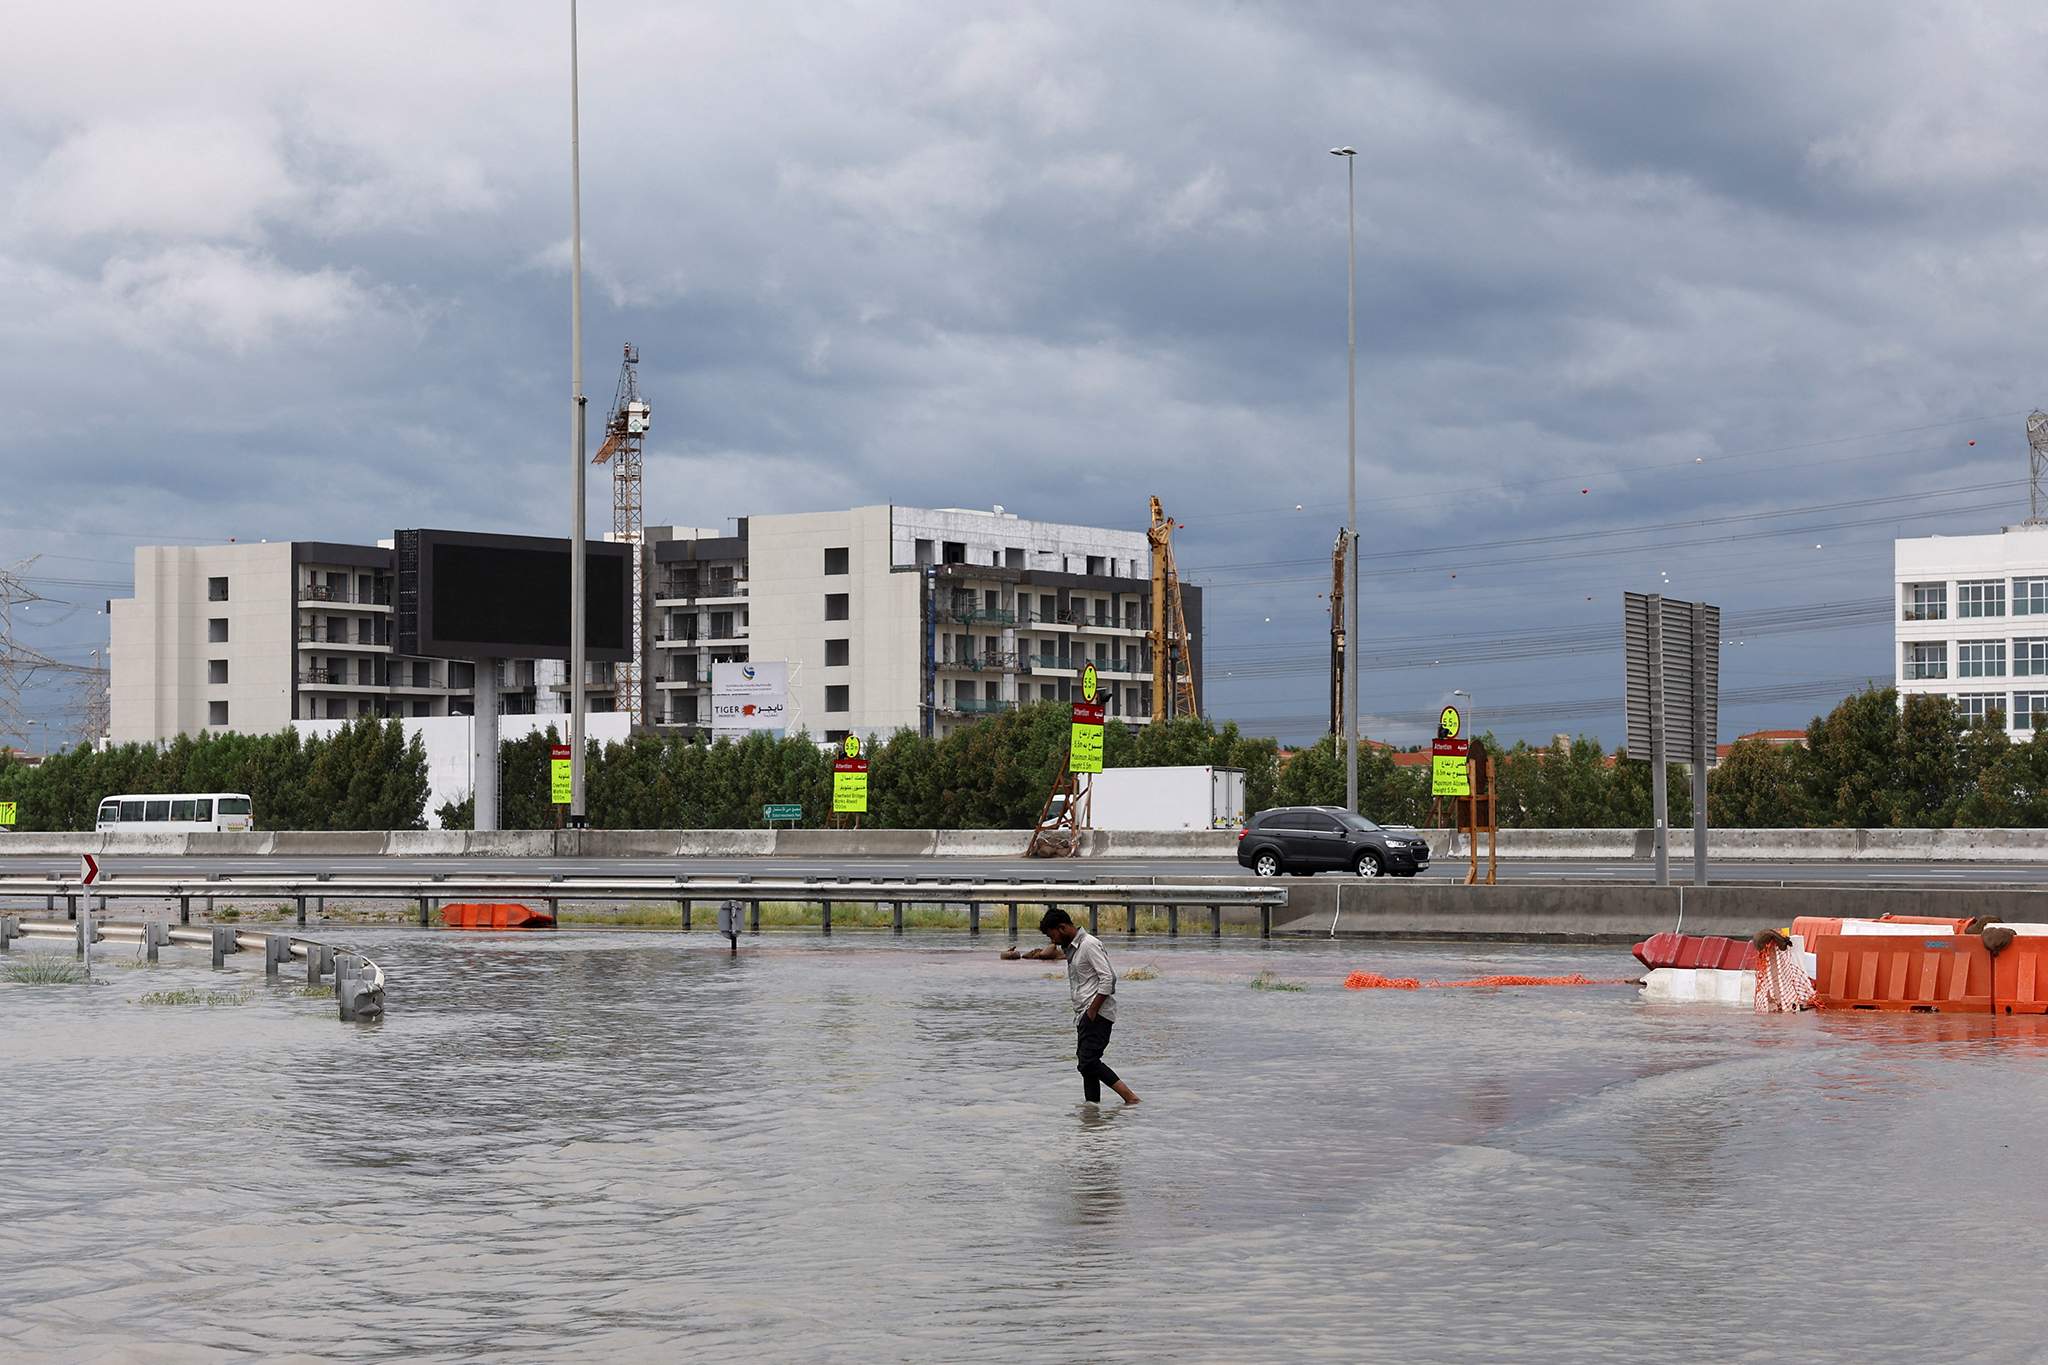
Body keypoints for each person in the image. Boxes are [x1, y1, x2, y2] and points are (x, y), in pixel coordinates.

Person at [1035, 908, 1139, 1106]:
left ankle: (1130, 1098)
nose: (1053, 941)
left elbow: (1109, 978)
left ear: (1062, 927)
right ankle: (1092, 1108)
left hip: (1097, 1014)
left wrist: (1092, 1011)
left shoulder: (1089, 945)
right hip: (1084, 1014)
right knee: (1086, 1066)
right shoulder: (1072, 949)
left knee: (1088, 1062)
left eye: (1052, 935)